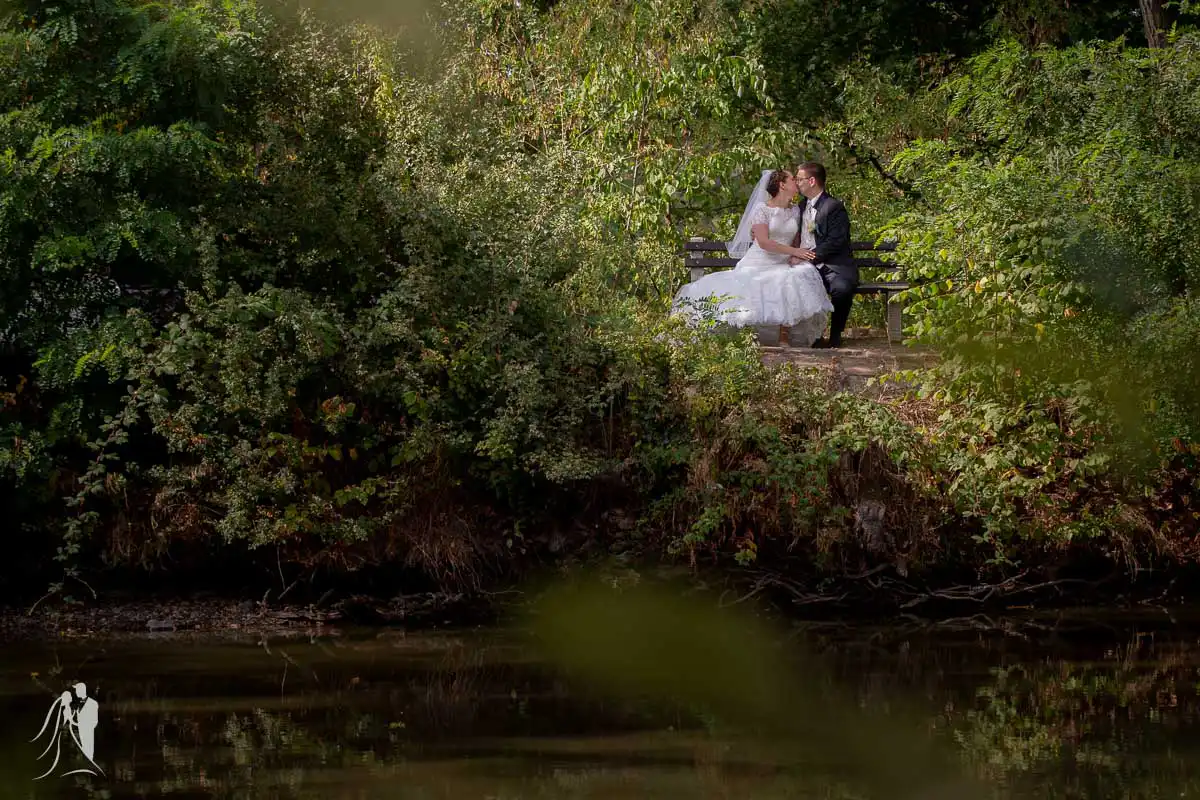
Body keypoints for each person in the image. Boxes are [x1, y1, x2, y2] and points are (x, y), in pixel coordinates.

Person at [671, 169, 832, 347]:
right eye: (792, 179)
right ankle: (743, 335)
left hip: (783, 261)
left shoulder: (795, 210)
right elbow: (763, 242)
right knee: (756, 285)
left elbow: (795, 239)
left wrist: (795, 254)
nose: (796, 181)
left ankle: (784, 337)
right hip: (760, 260)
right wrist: (794, 252)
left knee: (795, 277)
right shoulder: (762, 209)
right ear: (782, 185)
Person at [790, 162, 856, 348]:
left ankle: (836, 334)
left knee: (841, 289)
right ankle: (813, 336)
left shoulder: (834, 207)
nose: (797, 183)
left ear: (812, 181)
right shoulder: (800, 207)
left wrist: (807, 256)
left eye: (799, 179)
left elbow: (836, 241)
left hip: (833, 264)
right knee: (795, 284)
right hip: (806, 266)